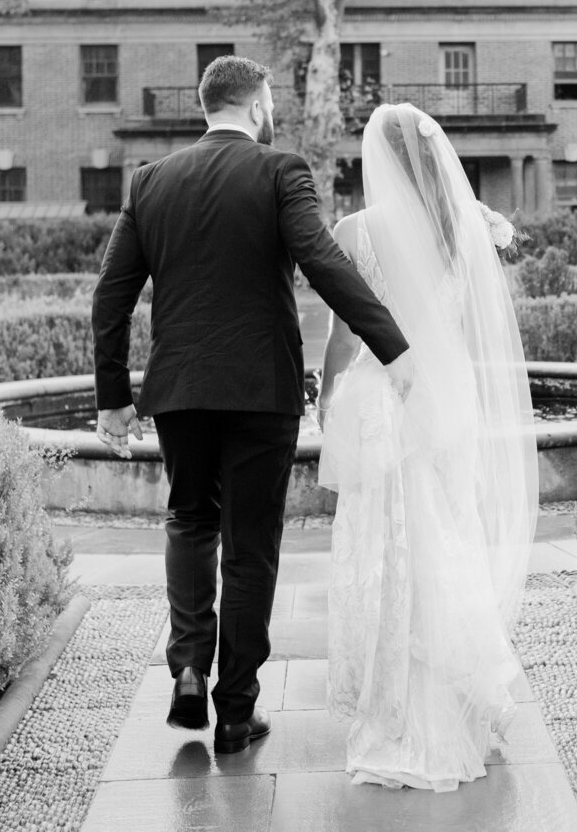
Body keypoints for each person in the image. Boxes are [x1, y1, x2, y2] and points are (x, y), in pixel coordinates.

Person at [91, 56, 416, 755]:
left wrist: (114, 398)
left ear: (206, 106)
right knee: (250, 548)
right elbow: (326, 261)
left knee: (189, 519)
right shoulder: (280, 170)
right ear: (258, 103)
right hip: (261, 391)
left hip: (179, 389)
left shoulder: (150, 183)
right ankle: (236, 709)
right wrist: (394, 347)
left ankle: (186, 665)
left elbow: (110, 297)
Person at [316, 102, 538, 791]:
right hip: (449, 402)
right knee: (449, 538)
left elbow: (346, 336)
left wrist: (326, 399)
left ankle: (398, 715)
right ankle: (461, 697)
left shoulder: (357, 231)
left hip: (387, 406)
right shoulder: (460, 229)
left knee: (391, 551)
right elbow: (472, 331)